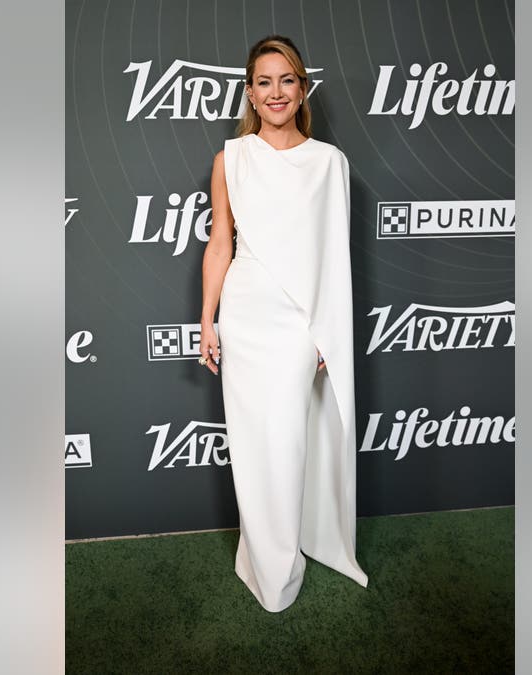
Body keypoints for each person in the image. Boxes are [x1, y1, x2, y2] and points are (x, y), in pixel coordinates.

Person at [198, 35, 369, 612]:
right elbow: (221, 242)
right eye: (264, 82)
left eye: (287, 80)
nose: (275, 92)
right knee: (252, 446)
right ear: (250, 92)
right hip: (245, 315)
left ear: (302, 89)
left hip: (299, 323)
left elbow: (332, 258)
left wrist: (327, 333)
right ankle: (267, 564)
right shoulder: (230, 158)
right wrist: (207, 319)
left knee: (288, 442)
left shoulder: (329, 164)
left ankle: (293, 550)